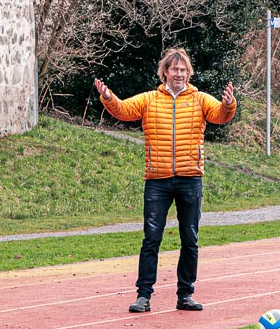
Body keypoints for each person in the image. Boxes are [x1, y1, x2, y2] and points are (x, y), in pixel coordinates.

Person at [94, 47, 236, 313]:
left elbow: (220, 115)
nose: (179, 74)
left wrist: (228, 103)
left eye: (183, 70)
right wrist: (108, 96)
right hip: (157, 180)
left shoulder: (199, 99)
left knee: (189, 239)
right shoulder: (150, 99)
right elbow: (123, 110)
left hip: (190, 179)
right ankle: (143, 296)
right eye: (174, 70)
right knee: (151, 239)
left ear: (188, 73)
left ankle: (185, 294)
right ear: (165, 73)